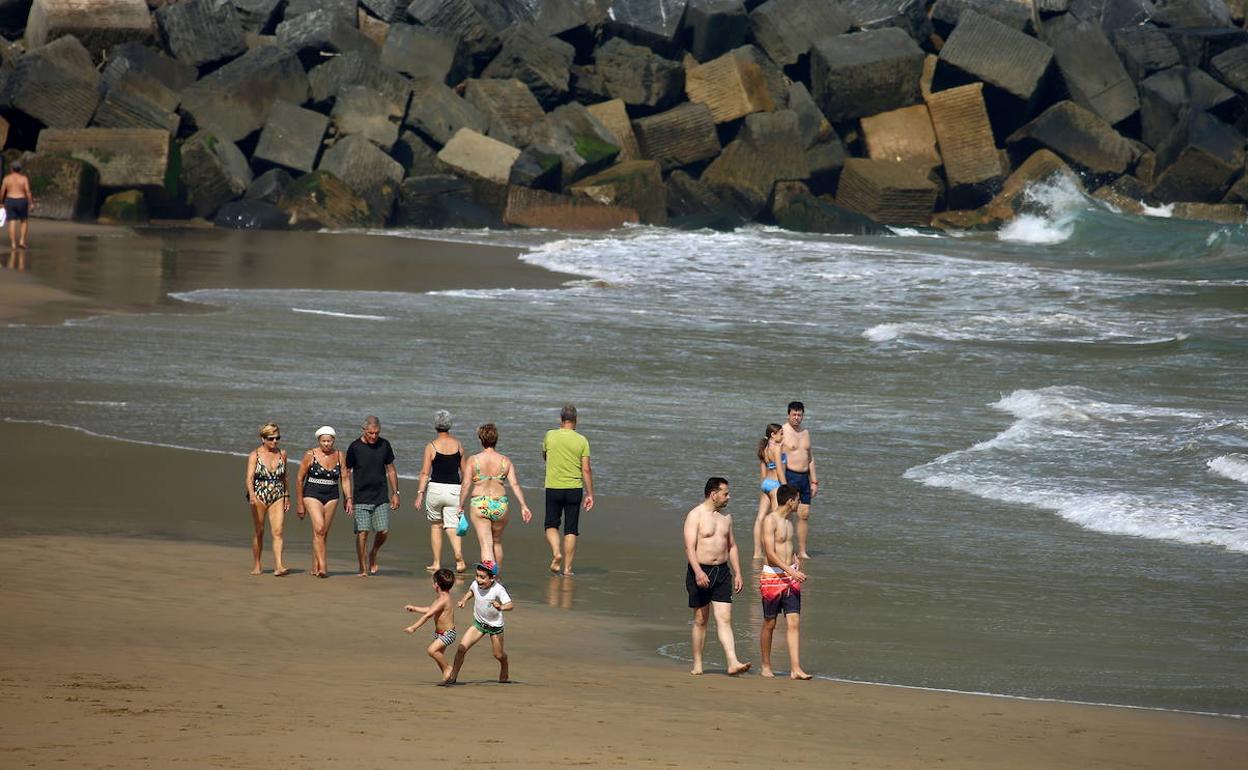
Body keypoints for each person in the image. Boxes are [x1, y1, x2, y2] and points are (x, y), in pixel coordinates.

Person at [683, 477, 750, 676]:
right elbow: (689, 547)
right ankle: (697, 663)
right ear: (714, 494)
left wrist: (738, 572)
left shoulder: (726, 518)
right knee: (701, 619)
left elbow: (732, 546)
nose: (729, 497)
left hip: (722, 572)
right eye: (725, 493)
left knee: (725, 618)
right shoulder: (695, 515)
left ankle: (732, 661)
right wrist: (698, 572)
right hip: (700, 570)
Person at [458, 423, 532, 570]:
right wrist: (524, 505)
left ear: (481, 440)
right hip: (500, 504)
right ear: (496, 439)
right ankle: (496, 577)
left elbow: (466, 484)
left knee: (486, 544)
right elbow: (515, 484)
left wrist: (461, 505)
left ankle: (489, 577)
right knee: (496, 542)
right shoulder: (505, 461)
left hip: (480, 504)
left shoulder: (473, 460)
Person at [759, 484, 811, 680]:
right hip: (772, 577)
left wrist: (794, 559)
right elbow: (770, 553)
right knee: (770, 623)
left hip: (791, 577)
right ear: (790, 501)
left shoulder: (790, 522)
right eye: (797, 499)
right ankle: (765, 665)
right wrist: (789, 569)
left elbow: (787, 545)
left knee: (794, 621)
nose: (799, 502)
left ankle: (795, 668)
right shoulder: (770, 520)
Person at [541, 404, 594, 576]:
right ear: (576, 420)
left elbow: (545, 456)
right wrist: (590, 493)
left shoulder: (550, 435)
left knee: (551, 524)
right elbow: (586, 469)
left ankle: (557, 552)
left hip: (553, 486)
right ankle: (568, 569)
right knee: (571, 529)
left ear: (560, 419)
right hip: (574, 489)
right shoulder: (582, 440)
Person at [344, 415, 399, 577]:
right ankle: (362, 567)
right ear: (364, 430)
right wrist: (348, 497)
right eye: (370, 433)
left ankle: (373, 552)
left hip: (381, 495)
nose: (374, 436)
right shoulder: (354, 447)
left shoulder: (384, 445)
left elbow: (391, 469)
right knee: (363, 532)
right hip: (361, 496)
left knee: (383, 531)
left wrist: (396, 493)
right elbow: (346, 473)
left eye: (376, 433)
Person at [414, 410, 468, 574]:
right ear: (450, 425)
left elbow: (425, 473)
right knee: (452, 525)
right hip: (454, 490)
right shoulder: (458, 445)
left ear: (435, 425)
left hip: (436, 489)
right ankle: (458, 558)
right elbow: (465, 472)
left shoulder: (431, 446)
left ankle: (437, 562)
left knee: (436, 526)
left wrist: (419, 494)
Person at [443, 562, 513, 685]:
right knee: (461, 649)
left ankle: (504, 663)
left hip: (495, 627)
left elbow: (510, 605)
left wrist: (501, 607)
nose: (478, 580)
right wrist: (464, 600)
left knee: (498, 655)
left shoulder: (498, 589)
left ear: (492, 578)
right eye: (477, 575)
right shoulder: (475, 584)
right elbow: (471, 591)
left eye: (482, 577)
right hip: (479, 624)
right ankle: (453, 676)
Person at [295, 426, 349, 578]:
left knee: (322, 532)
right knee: (319, 528)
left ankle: (315, 566)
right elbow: (299, 479)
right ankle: (323, 567)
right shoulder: (310, 455)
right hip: (312, 493)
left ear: (334, 440)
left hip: (332, 495)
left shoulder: (339, 455)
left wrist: (348, 499)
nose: (326, 444)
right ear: (319, 440)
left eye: (329, 441)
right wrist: (299, 503)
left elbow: (344, 479)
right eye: (323, 441)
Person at [245, 422, 290, 576]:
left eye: (277, 438)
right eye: (271, 438)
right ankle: (257, 564)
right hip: (259, 495)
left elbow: (285, 477)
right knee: (259, 531)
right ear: (263, 438)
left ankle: (279, 565)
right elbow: (249, 478)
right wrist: (251, 494)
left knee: (278, 531)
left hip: (277, 494)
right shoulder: (255, 455)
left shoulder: (282, 453)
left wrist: (287, 496)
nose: (275, 441)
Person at [404, 568, 458, 679]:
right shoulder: (440, 598)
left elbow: (428, 615)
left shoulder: (444, 600)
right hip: (439, 633)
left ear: (436, 585)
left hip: (448, 633)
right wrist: (415, 608)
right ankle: (448, 676)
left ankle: (448, 668)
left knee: (431, 650)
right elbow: (430, 609)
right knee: (438, 654)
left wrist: (414, 627)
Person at [781, 401, 818, 559]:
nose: (797, 418)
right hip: (790, 475)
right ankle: (785, 548)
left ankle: (802, 551)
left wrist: (814, 481)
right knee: (786, 513)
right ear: (788, 414)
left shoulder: (805, 432)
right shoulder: (783, 431)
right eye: (794, 414)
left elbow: (810, 457)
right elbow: (778, 458)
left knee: (804, 515)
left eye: (799, 415)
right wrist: (781, 482)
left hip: (804, 478)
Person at [752, 423, 787, 560]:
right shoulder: (776, 449)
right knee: (776, 519)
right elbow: (779, 470)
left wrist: (763, 486)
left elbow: (762, 472)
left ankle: (757, 553)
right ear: (773, 435)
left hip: (766, 483)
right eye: (781, 433)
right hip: (775, 485)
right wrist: (786, 488)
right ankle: (773, 551)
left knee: (760, 518)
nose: (783, 436)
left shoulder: (764, 448)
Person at [1, 159, 32, 250]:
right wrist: (31, 203)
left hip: (10, 200)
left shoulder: (7, 178)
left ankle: (13, 244)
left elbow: (2, 191)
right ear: (20, 169)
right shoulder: (24, 178)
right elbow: (28, 192)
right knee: (24, 220)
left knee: (12, 221)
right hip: (21, 200)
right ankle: (22, 241)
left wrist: (1, 202)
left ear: (11, 169)